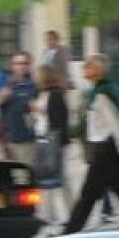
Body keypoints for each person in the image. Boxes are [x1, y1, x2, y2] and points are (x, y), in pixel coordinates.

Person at [61, 54, 119, 234]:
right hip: (108, 149)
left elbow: (116, 124)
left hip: (106, 150)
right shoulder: (98, 92)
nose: (85, 67)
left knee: (88, 196)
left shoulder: (102, 94)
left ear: (98, 70)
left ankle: (69, 232)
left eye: (89, 65)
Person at [34, 65, 74, 225]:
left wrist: (58, 140)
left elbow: (60, 119)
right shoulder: (43, 94)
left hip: (53, 139)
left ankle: (70, 212)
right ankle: (48, 213)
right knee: (47, 176)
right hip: (43, 137)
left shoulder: (56, 95)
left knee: (59, 177)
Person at [0, 51, 39, 166]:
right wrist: (1, 99)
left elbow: (38, 110)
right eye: (18, 63)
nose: (21, 66)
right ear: (12, 65)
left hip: (27, 139)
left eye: (24, 63)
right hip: (9, 140)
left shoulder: (33, 86)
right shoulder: (6, 84)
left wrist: (33, 107)